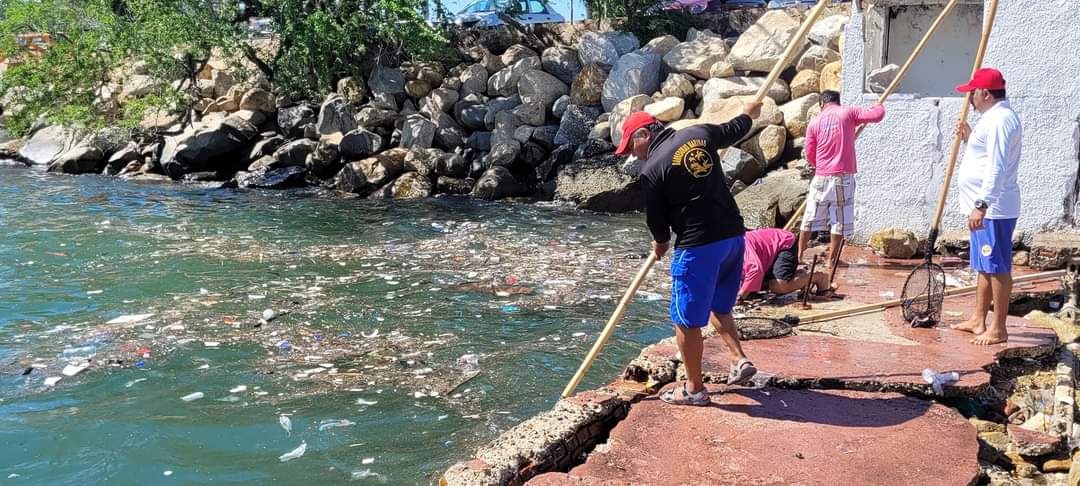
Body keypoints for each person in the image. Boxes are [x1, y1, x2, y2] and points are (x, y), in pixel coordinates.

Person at [617, 101, 762, 406]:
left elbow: (656, 219)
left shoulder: (652, 168)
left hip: (699, 246)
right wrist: (749, 112)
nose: (632, 154)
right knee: (719, 306)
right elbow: (735, 129)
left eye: (631, 145)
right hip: (734, 237)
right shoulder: (699, 132)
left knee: (686, 320)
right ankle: (738, 359)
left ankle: (694, 389)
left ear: (644, 134)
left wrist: (659, 242)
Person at [947, 68, 1022, 346]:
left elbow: (997, 167)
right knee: (983, 265)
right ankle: (979, 319)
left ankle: (998, 328)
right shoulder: (991, 118)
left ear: (986, 94)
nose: (970, 99)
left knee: (997, 267)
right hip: (983, 208)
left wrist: (982, 204)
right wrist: (969, 138)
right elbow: (983, 156)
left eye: (972, 93)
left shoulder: (1001, 120)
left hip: (994, 209)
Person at [798, 90, 886, 267]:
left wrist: (820, 166)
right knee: (839, 220)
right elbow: (877, 116)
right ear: (838, 102)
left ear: (821, 105)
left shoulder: (815, 122)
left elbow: (809, 152)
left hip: (821, 176)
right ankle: (832, 261)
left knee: (809, 217)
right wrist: (879, 106)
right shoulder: (848, 112)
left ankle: (798, 256)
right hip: (843, 176)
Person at [739, 227, 831, 300]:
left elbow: (755, 270)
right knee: (755, 286)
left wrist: (740, 298)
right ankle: (800, 276)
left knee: (779, 286)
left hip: (784, 243)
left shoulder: (741, 245)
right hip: (766, 255)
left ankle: (820, 277)